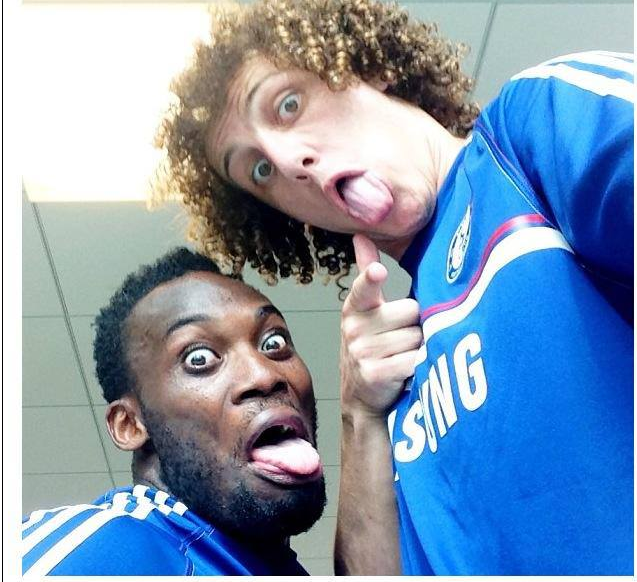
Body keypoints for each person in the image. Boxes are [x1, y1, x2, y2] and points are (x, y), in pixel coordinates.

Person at [153, 0, 634, 575]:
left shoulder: (531, 129)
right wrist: (360, 412)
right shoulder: (396, 374)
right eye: (259, 171)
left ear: (366, 66)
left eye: (288, 103)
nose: (287, 161)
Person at [22, 247, 326, 576]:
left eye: (273, 342)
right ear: (130, 424)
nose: (264, 375)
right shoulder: (103, 545)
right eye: (199, 359)